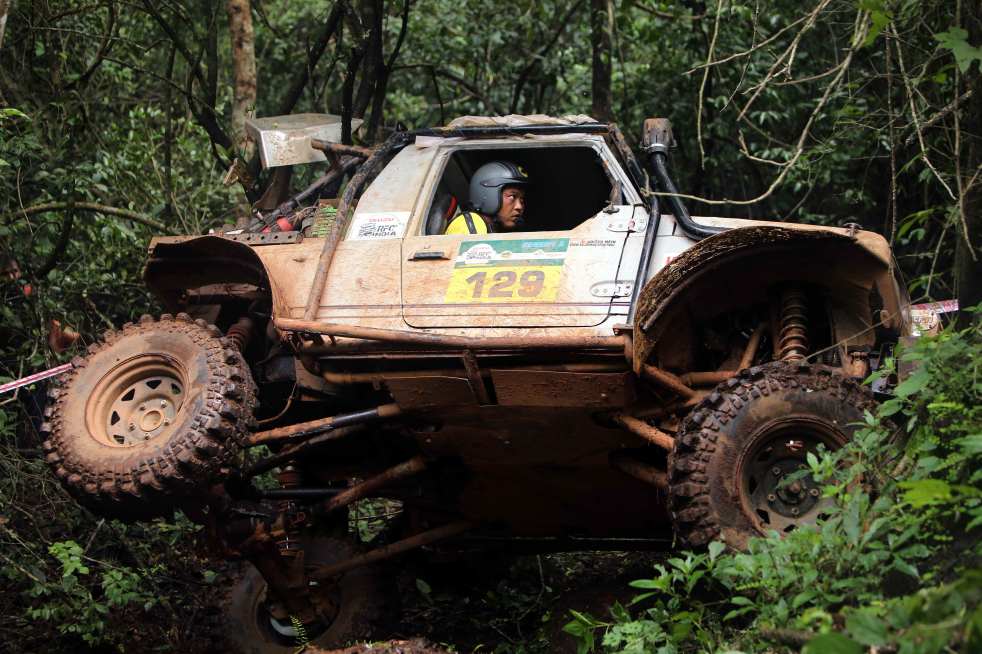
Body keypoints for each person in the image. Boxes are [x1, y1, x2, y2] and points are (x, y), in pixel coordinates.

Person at [445, 161, 529, 234]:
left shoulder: (495, 228)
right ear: (489, 195)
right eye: (512, 197)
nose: (519, 206)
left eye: (521, 199)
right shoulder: (468, 225)